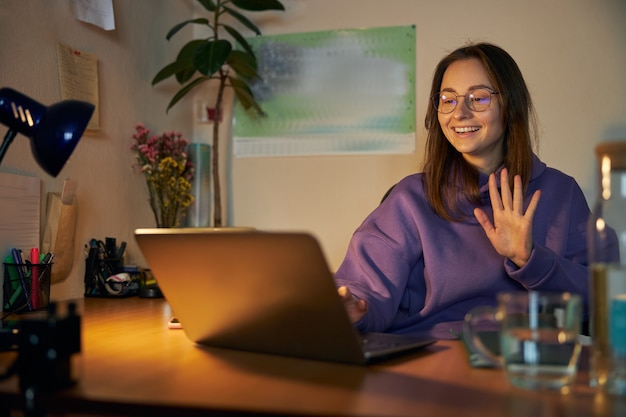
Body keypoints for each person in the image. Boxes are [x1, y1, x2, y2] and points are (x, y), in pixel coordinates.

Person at [334, 42, 590, 340]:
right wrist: (354, 310)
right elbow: (366, 290)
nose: (460, 113)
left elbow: (602, 301)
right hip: (429, 357)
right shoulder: (411, 198)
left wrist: (531, 259)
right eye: (448, 99)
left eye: (478, 98)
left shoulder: (561, 193)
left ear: (511, 105)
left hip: (524, 360)